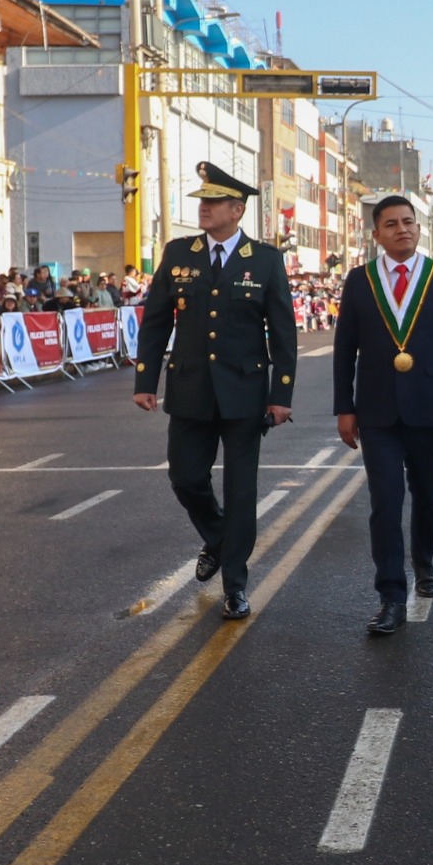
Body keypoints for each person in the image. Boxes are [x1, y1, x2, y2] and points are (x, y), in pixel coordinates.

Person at [133, 162, 297, 620]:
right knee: (185, 478)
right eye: (201, 201)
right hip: (189, 388)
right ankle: (218, 538)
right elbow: (157, 320)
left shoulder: (264, 259)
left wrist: (281, 393)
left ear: (237, 209)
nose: (203, 208)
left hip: (245, 392)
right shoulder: (179, 252)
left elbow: (283, 331)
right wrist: (146, 381)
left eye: (212, 202)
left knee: (242, 492)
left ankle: (236, 586)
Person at [334, 195, 433, 634]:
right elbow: (344, 351)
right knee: (385, 501)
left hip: (431, 406)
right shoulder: (360, 281)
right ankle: (391, 596)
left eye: (409, 222)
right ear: (376, 234)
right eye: (392, 224)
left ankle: (424, 560)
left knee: (429, 497)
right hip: (377, 411)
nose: (403, 229)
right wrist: (344, 407)